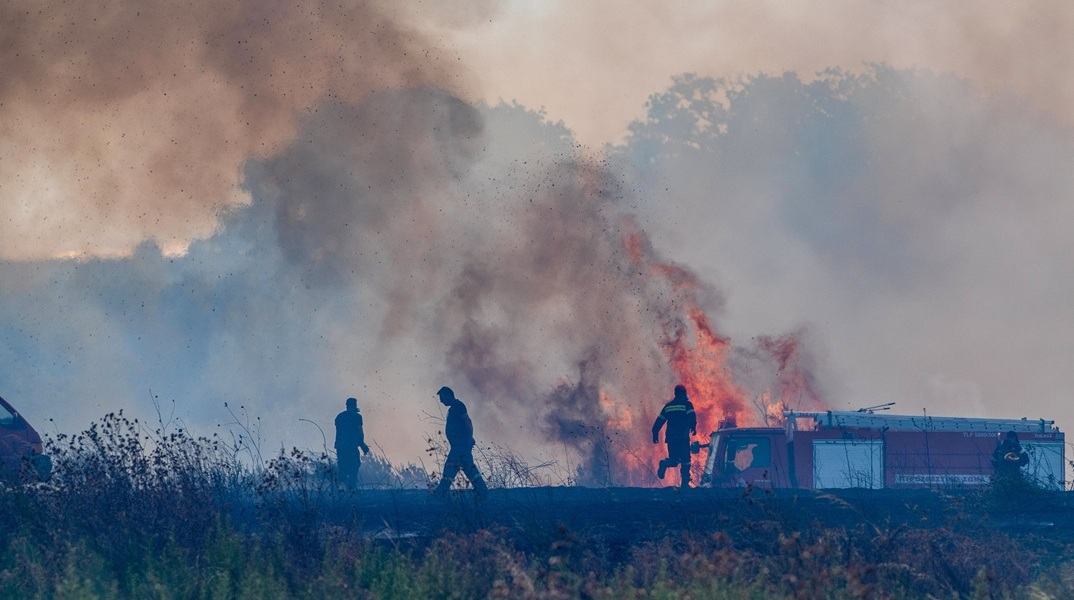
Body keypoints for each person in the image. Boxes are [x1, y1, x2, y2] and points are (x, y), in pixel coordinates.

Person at [433, 386, 488, 495]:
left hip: (460, 446)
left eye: (442, 397)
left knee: (450, 467)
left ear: (448, 395)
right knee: (468, 467)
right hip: (459, 446)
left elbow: (468, 423)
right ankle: (481, 489)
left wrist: (468, 439)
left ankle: (441, 492)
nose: (441, 400)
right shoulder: (454, 408)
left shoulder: (458, 406)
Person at [652, 384, 697, 488]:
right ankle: (685, 484)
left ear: (675, 394)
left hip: (671, 438)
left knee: (674, 460)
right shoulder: (687, 404)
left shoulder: (668, 406)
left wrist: (655, 433)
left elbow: (659, 421)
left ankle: (664, 463)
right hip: (682, 437)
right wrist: (693, 428)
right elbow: (692, 417)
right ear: (684, 393)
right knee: (686, 460)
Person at [334, 397, 370, 487]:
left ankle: (341, 489)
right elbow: (359, 432)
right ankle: (352, 487)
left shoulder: (339, 416)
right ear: (355, 405)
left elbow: (338, 432)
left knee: (342, 467)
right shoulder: (357, 417)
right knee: (354, 465)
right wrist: (362, 445)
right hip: (351, 446)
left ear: (346, 405)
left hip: (340, 446)